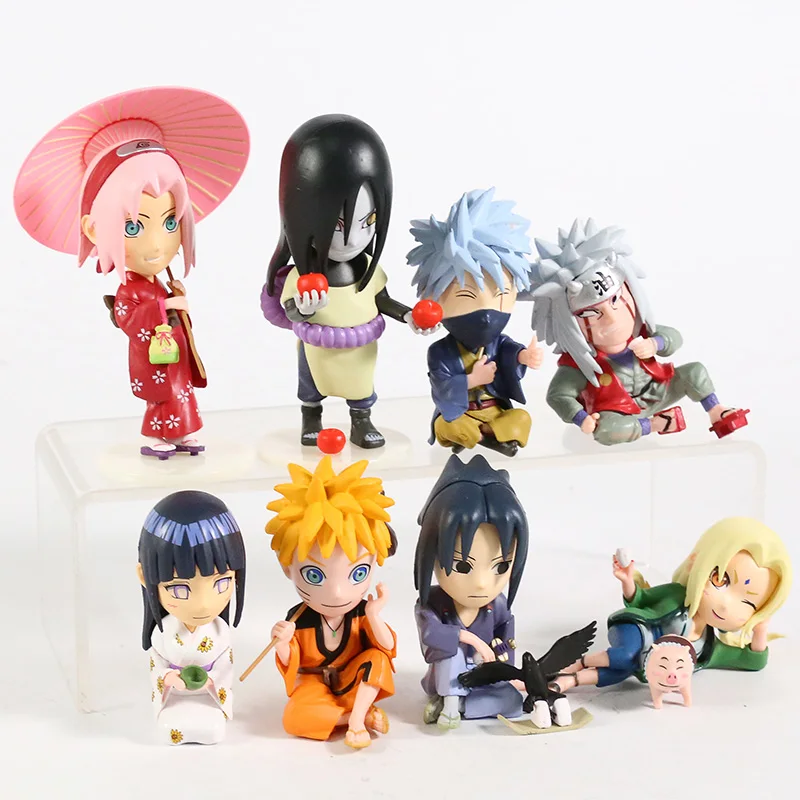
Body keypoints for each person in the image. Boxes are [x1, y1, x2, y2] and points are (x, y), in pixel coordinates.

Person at [265, 456, 397, 749]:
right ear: (287, 568)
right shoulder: (298, 618)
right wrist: (282, 644)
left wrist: (374, 614)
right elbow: (291, 661)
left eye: (358, 573)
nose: (337, 593)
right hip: (314, 684)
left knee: (377, 659)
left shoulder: (361, 612)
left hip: (353, 680)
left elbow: (386, 648)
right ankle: (354, 716)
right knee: (295, 719)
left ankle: (356, 721)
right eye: (314, 575)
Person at [408, 188, 543, 457]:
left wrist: (523, 357)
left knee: (522, 418)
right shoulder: (440, 351)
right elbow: (442, 387)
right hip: (461, 413)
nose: (486, 315)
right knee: (451, 426)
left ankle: (487, 434)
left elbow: (509, 352)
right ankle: (485, 437)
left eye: (501, 294)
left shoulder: (498, 344)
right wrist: (472, 379)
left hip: (494, 410)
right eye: (466, 295)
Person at [414, 454, 530, 729]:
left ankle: (460, 705)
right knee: (451, 652)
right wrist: (471, 639)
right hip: (446, 675)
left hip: (482, 680)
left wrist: (501, 663)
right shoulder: (433, 604)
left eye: (501, 566)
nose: (481, 583)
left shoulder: (498, 607)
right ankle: (450, 702)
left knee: (514, 703)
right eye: (462, 565)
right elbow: (432, 635)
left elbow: (507, 645)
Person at [138, 490, 246, 744]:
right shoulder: (163, 633)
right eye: (179, 589)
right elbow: (157, 664)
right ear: (145, 577)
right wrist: (168, 678)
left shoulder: (219, 632)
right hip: (174, 697)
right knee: (171, 728)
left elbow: (224, 666)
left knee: (212, 729)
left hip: (208, 696)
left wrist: (211, 681)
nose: (203, 604)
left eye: (221, 583)